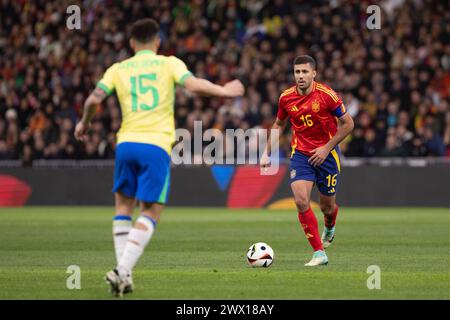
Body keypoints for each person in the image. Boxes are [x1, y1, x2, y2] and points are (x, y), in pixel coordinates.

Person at [74, 18, 244, 296]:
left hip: (126, 142)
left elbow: (93, 100)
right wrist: (224, 91)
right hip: (155, 145)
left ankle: (124, 275)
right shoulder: (169, 63)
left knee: (123, 208)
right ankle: (122, 270)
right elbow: (194, 85)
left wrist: (84, 123)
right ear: (157, 42)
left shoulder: (118, 69)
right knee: (151, 211)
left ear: (131, 43)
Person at [261, 55, 354, 266]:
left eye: (304, 72)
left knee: (327, 206)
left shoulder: (327, 95)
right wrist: (267, 152)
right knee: (301, 200)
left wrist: (326, 148)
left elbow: (348, 124)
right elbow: (278, 124)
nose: (300, 76)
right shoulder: (286, 98)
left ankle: (330, 226)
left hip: (327, 154)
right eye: (297, 72)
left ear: (314, 73)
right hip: (301, 153)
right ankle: (319, 253)